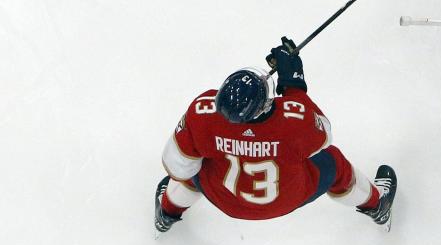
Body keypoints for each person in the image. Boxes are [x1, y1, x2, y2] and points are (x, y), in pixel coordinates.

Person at [154, 37, 396, 232]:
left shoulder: (202, 113)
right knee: (336, 164)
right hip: (287, 197)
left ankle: (167, 213)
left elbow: (176, 167)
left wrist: (226, 146)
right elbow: (323, 134)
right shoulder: (294, 123)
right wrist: (294, 86)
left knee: (192, 165)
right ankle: (377, 205)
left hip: (223, 197)